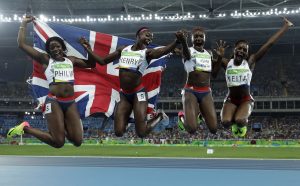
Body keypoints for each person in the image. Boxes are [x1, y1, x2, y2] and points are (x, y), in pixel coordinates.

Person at [7, 16, 95, 148]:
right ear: (49, 51)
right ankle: (26, 128)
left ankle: (61, 127)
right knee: (58, 142)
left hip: (70, 102)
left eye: (57, 46)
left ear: (62, 48)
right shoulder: (46, 59)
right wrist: (23, 23)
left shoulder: (71, 60)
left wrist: (88, 49)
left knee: (77, 141)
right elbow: (21, 44)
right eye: (52, 48)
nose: (55, 49)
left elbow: (92, 64)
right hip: (54, 101)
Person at [80, 27, 184, 138]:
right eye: (147, 35)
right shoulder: (123, 50)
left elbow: (163, 51)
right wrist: (88, 49)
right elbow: (102, 61)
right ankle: (130, 119)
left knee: (142, 133)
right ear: (138, 35)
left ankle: (159, 116)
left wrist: (176, 42)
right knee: (119, 132)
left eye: (151, 38)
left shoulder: (147, 53)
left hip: (139, 94)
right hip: (124, 95)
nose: (150, 38)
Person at [220, 17, 293, 138]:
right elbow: (207, 58)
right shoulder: (226, 62)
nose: (241, 51)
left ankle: (242, 122)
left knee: (240, 121)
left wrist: (286, 26)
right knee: (225, 123)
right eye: (239, 48)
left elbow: (269, 44)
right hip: (230, 100)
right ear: (234, 49)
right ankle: (234, 120)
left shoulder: (250, 61)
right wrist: (183, 52)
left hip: (245, 99)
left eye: (245, 50)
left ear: (247, 53)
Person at [178, 27, 226, 134]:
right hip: (191, 90)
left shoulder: (209, 53)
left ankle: (198, 113)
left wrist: (219, 57)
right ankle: (181, 116)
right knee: (192, 129)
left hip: (206, 91)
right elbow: (187, 55)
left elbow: (214, 74)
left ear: (204, 38)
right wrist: (183, 42)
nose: (198, 38)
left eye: (201, 36)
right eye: (196, 36)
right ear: (191, 39)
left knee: (214, 129)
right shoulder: (188, 50)